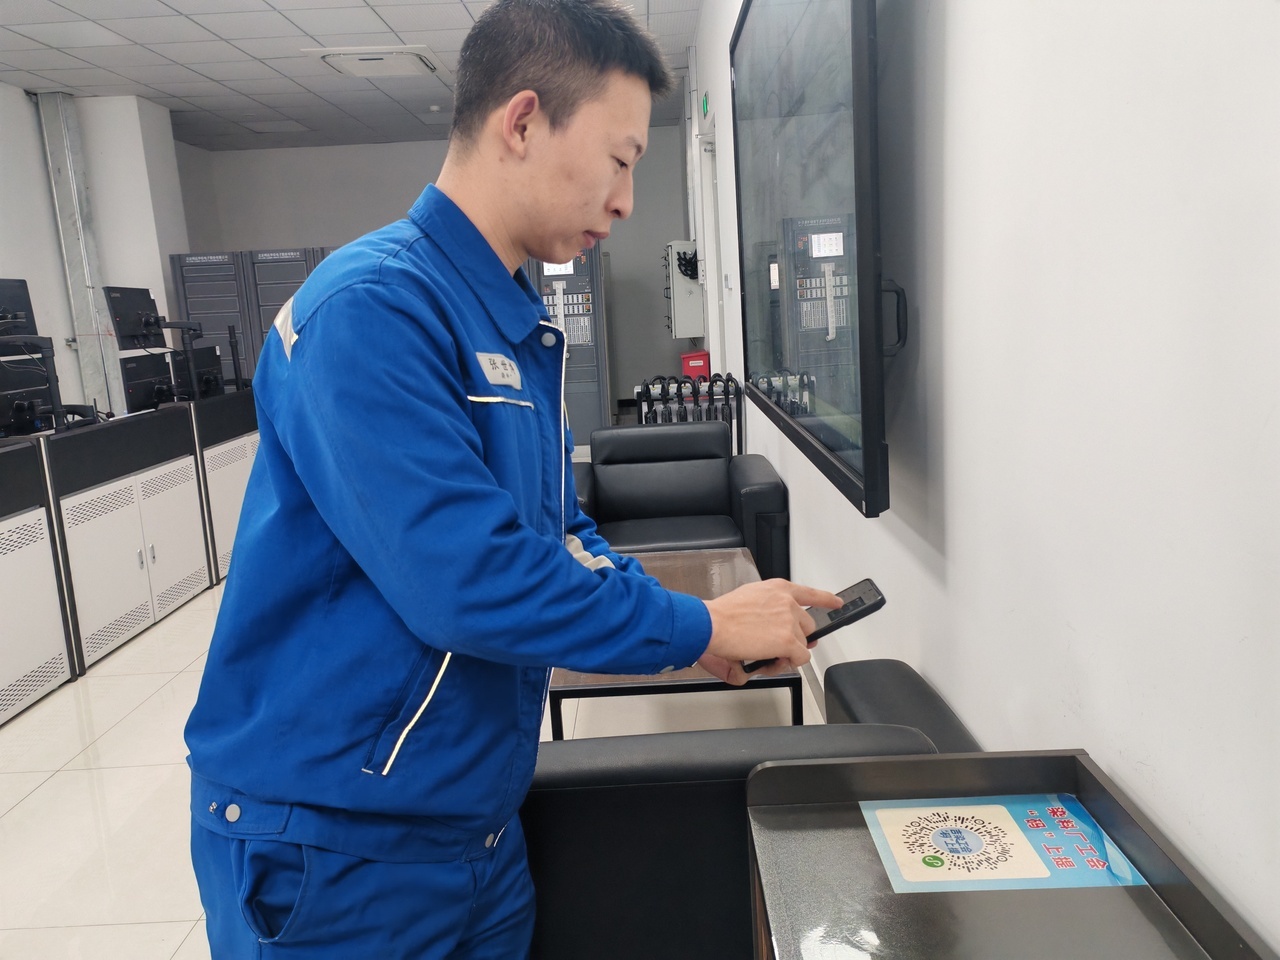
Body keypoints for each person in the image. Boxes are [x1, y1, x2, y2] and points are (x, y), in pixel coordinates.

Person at [184, 0, 842, 956]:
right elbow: (468, 580)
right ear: (524, 121)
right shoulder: (372, 311)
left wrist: (693, 630)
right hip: (336, 845)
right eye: (620, 160)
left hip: (473, 828)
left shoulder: (512, 320)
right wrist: (696, 626)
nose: (626, 200)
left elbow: (558, 534)